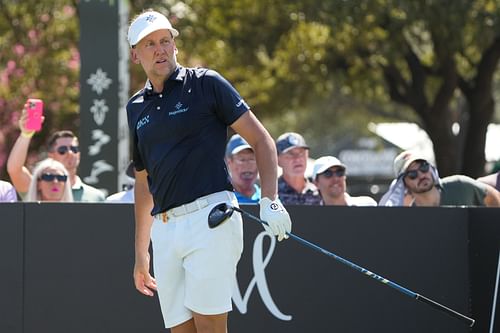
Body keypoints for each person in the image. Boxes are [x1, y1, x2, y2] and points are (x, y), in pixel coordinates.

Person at [126, 10, 291, 333]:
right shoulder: (135, 107)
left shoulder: (205, 84)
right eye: (150, 44)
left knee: (211, 328)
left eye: (165, 41)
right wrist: (141, 252)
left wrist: (270, 200)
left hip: (211, 218)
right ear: (135, 55)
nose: (160, 49)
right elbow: (144, 181)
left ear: (174, 44)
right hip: (165, 229)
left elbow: (261, 140)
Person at [7, 106, 105, 202]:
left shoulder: (96, 197)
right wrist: (26, 134)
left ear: (79, 154)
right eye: (62, 150)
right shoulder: (38, 186)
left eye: (74, 149)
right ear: (51, 156)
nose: (70, 153)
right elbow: (14, 169)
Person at [386, 150, 500, 207]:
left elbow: (493, 199)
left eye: (424, 167)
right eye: (412, 174)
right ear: (403, 184)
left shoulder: (460, 185)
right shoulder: (409, 214)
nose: (421, 175)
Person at [276, 132, 321, 205]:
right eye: (290, 154)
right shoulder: (271, 195)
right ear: (278, 160)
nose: (297, 159)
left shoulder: (319, 194)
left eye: (301, 153)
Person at [312, 156, 377, 206]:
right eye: (328, 174)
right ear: (316, 183)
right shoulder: (311, 216)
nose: (336, 178)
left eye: (340, 172)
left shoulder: (367, 205)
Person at [225, 134, 261, 203]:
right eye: (242, 160)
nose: (247, 165)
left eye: (252, 159)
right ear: (229, 162)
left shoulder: (268, 199)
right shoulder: (223, 201)